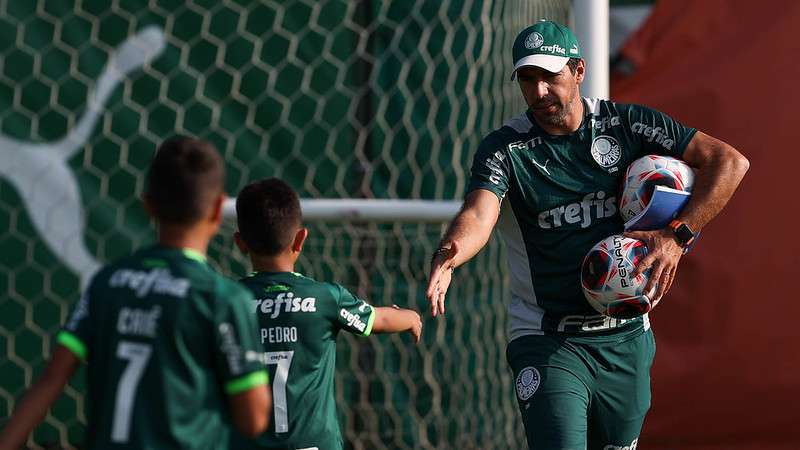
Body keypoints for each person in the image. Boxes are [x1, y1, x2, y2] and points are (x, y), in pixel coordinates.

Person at [425, 20, 749, 450]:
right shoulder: (506, 149)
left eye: (549, 76)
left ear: (578, 71)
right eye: (527, 79)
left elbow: (729, 163)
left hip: (626, 336)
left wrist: (677, 235)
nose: (538, 92)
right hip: (548, 340)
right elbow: (479, 212)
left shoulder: (627, 124)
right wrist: (453, 251)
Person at [0, 137, 272, 449]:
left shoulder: (109, 282)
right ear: (216, 209)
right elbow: (254, 418)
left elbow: (52, 379)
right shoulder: (223, 299)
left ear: (148, 205)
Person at [230, 177, 423, 450]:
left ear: (240, 242)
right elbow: (379, 320)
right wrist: (411, 317)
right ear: (300, 239)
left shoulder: (228, 302)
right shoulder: (324, 298)